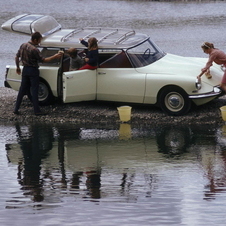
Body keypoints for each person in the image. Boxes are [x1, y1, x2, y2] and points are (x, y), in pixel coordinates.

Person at [14, 31, 62, 116]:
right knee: (35, 90)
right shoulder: (34, 50)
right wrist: (55, 56)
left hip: (25, 70)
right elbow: (43, 60)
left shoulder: (23, 45)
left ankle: (16, 109)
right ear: (35, 40)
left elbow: (17, 56)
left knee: (22, 90)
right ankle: (37, 111)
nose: (40, 42)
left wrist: (18, 67)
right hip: (33, 70)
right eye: (39, 40)